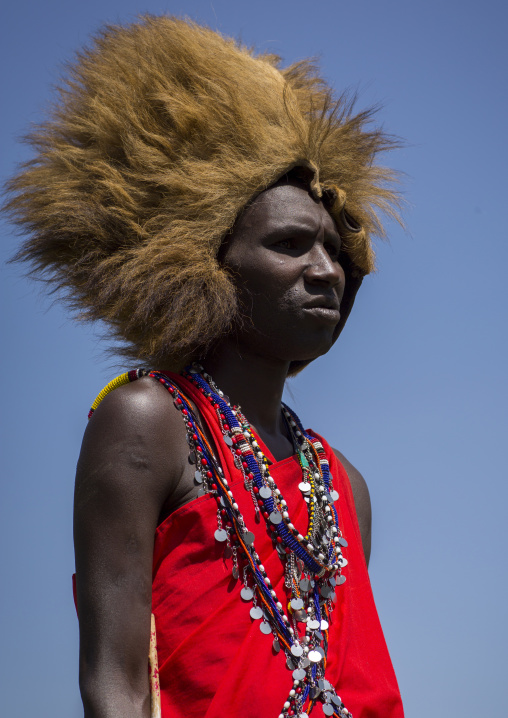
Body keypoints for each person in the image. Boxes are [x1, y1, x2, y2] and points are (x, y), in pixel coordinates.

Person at [4, 15, 404, 718]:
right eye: (289, 244)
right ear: (207, 267)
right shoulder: (147, 423)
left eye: (334, 250)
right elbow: (114, 683)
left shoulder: (344, 486)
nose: (325, 270)